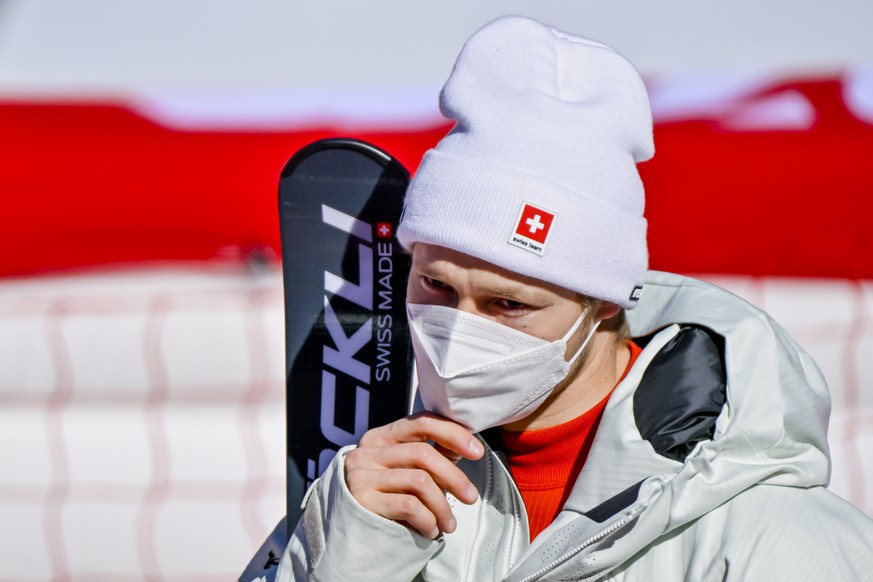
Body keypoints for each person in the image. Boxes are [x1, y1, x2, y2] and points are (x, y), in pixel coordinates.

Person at [277, 15, 873, 581]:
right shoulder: (368, 496)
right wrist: (349, 554)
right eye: (435, 285)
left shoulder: (774, 539)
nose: (457, 333)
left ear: (605, 301)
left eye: (508, 305)